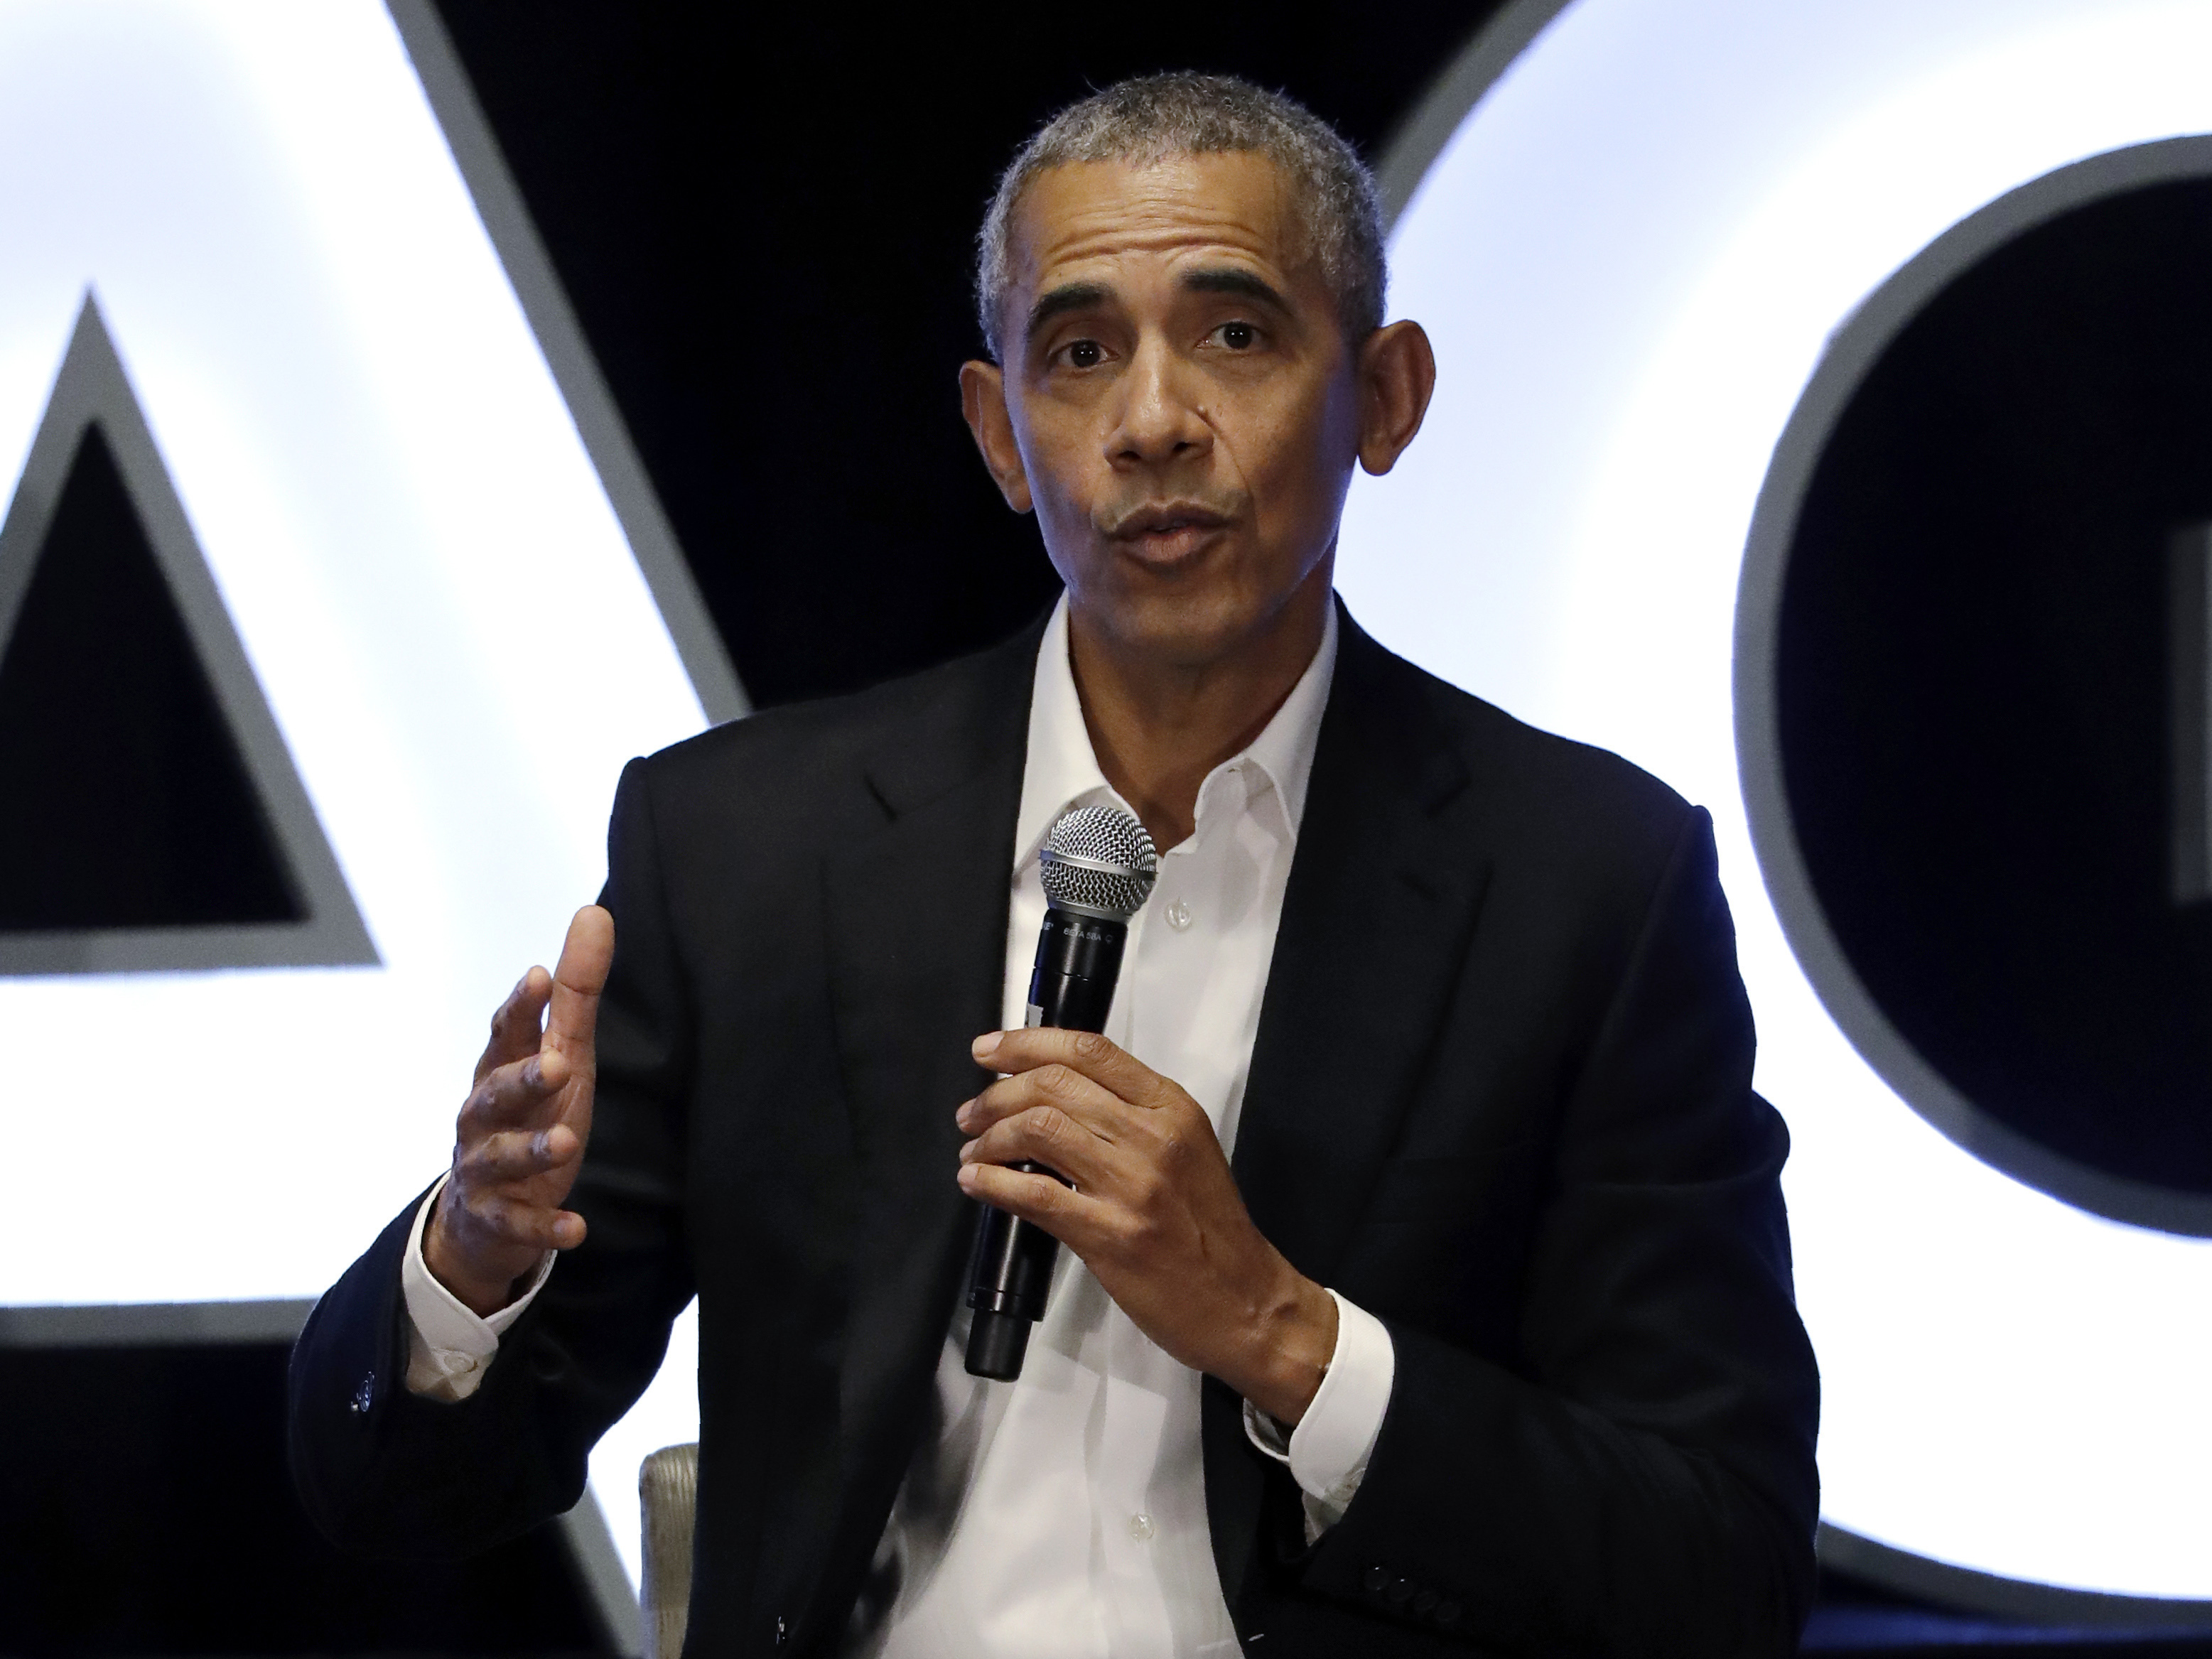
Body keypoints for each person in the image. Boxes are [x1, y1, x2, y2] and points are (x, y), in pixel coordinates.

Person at [290, 72, 1818, 1657]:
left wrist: (1285, 1333)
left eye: (1235, 334)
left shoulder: (1586, 883)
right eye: (1080, 354)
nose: (1153, 421)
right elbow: (405, 1489)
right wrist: (470, 1264)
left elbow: (1719, 1565)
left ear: (1384, 396)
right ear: (1001, 433)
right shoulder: (748, 851)